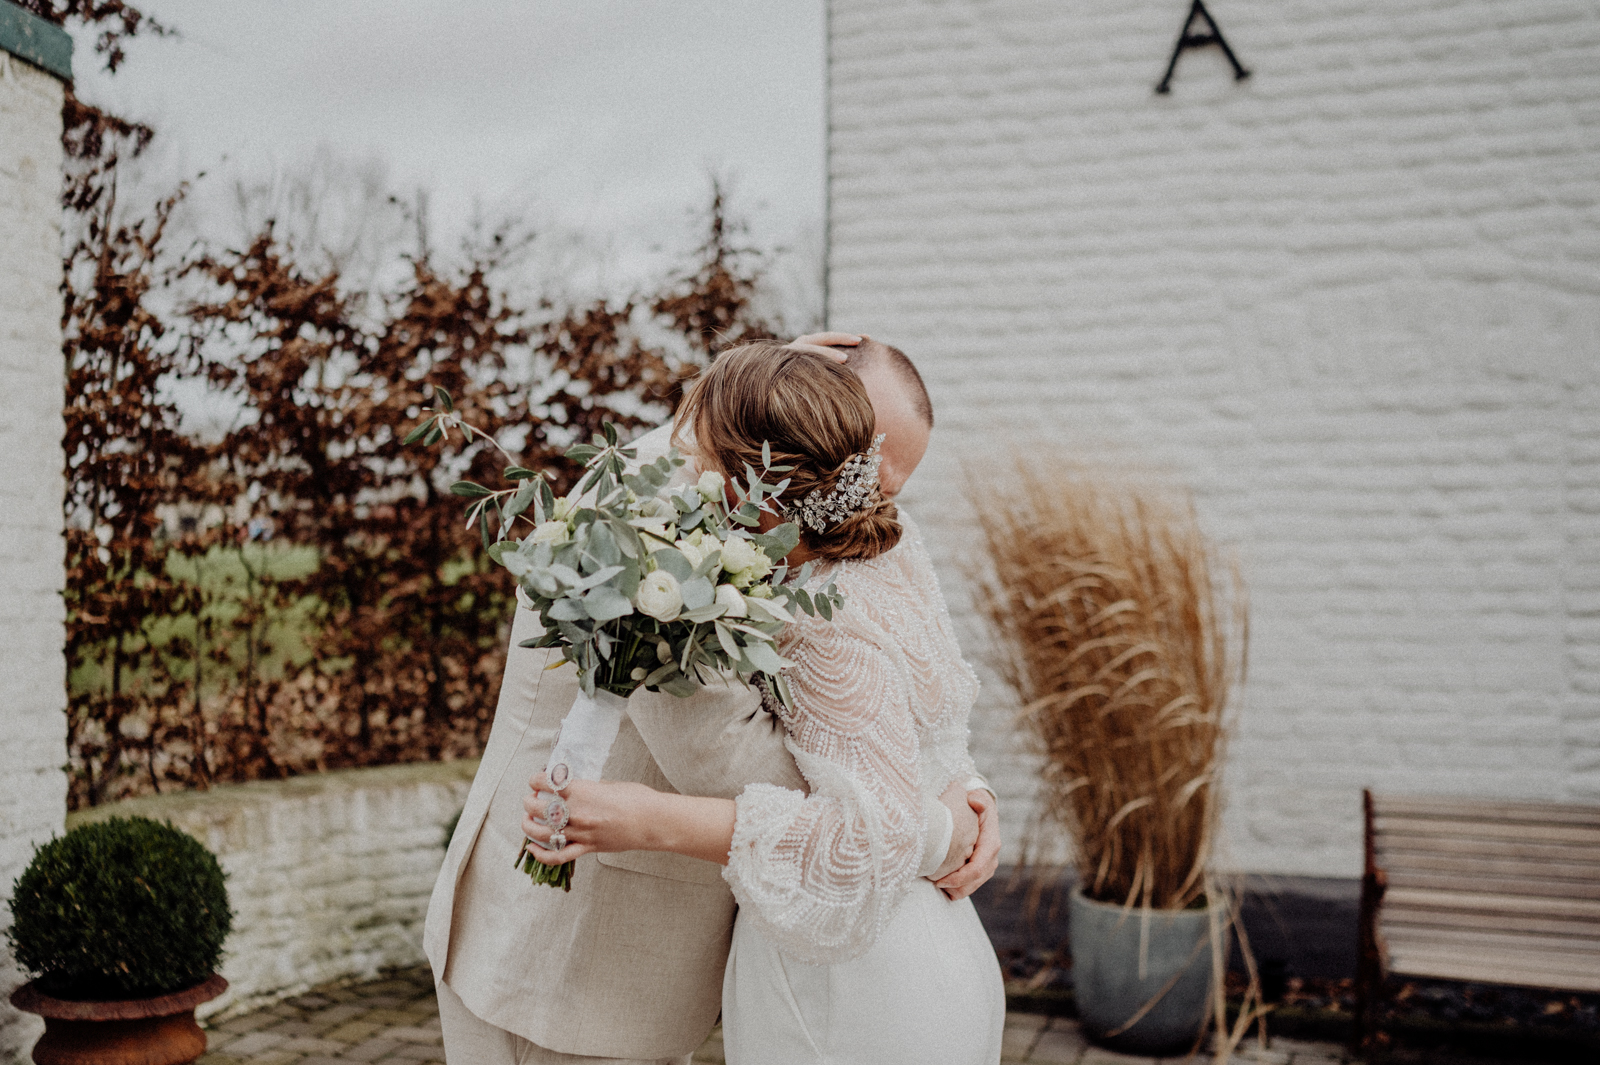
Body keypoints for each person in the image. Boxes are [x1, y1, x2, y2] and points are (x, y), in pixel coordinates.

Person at [423, 334, 1001, 1065]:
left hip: (698, 955)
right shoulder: (662, 516)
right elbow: (726, 756)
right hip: (567, 960)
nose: (862, 505)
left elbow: (910, 679)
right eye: (858, 463)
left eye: (885, 486)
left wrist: (963, 781)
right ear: (808, 403)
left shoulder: (810, 516)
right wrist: (933, 824)